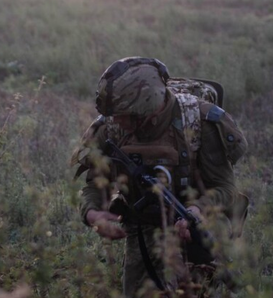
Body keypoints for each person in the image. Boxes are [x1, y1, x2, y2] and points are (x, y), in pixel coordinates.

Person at [72, 57, 249, 297]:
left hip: (200, 219)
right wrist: (93, 213)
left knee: (201, 286)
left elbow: (225, 188)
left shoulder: (201, 123)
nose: (117, 121)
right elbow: (94, 185)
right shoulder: (111, 128)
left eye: (124, 115)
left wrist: (196, 210)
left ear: (145, 106)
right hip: (145, 222)